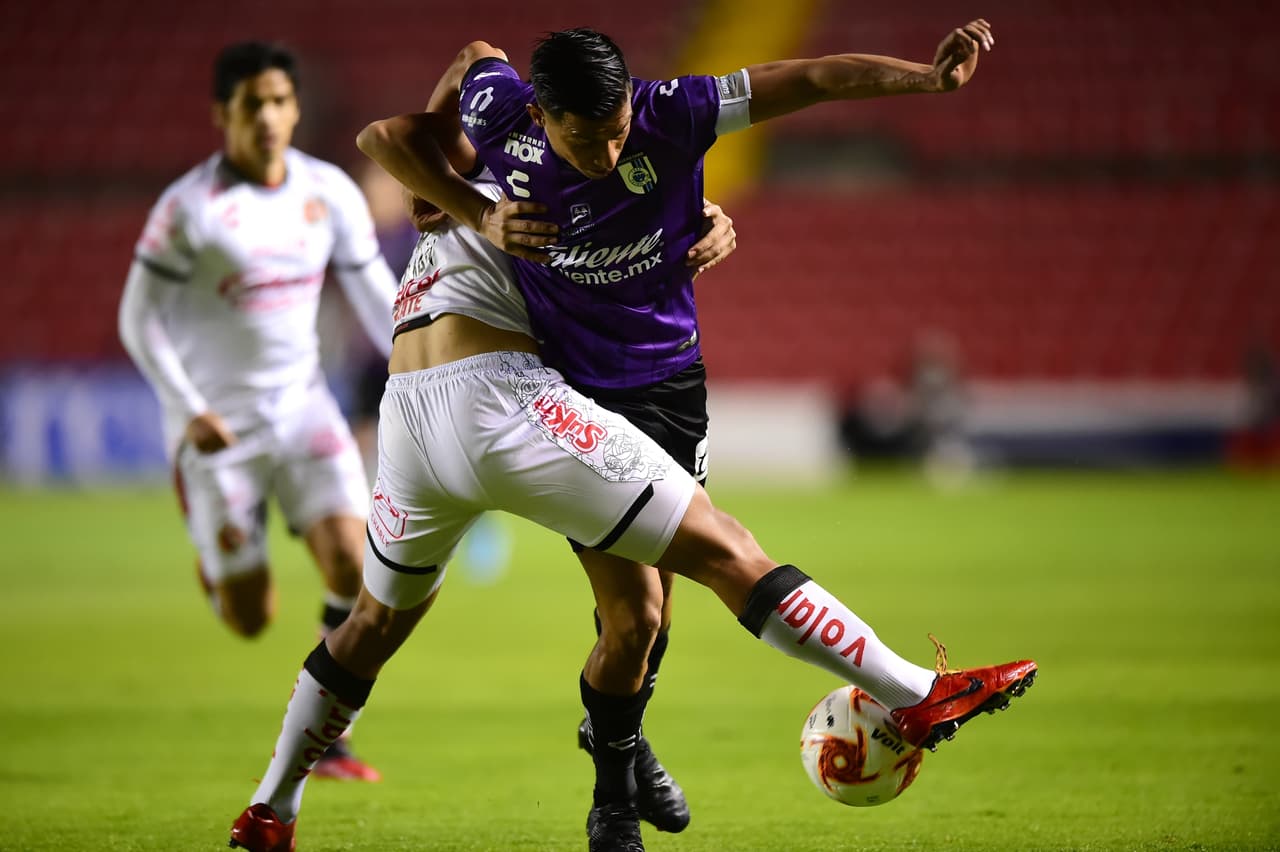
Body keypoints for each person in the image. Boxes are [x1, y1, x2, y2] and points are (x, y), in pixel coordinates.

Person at [353, 19, 1001, 846]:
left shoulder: (677, 112)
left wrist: (927, 79)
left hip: (671, 384)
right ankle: (613, 799)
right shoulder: (504, 120)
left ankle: (615, 742)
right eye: (588, 140)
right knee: (636, 616)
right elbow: (435, 90)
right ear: (545, 118)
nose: (610, 154)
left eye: (619, 130)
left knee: (652, 626)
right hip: (572, 394)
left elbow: (810, 78)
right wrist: (465, 204)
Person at [227, 195, 1034, 852]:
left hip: (408, 415)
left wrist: (696, 218)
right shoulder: (528, 159)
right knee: (726, 549)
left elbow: (417, 120)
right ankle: (918, 692)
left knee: (378, 623)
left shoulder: (458, 162)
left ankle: (271, 810)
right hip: (502, 398)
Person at [117, 41, 396, 782]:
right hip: (219, 433)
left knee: (355, 567)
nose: (268, 117)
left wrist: (416, 356)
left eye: (278, 102)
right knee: (251, 619)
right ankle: (219, 562)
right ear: (223, 115)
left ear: (296, 108)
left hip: (304, 410)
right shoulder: (190, 209)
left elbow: (374, 290)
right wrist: (187, 408)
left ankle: (330, 735)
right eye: (251, 105)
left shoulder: (329, 191)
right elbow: (137, 317)